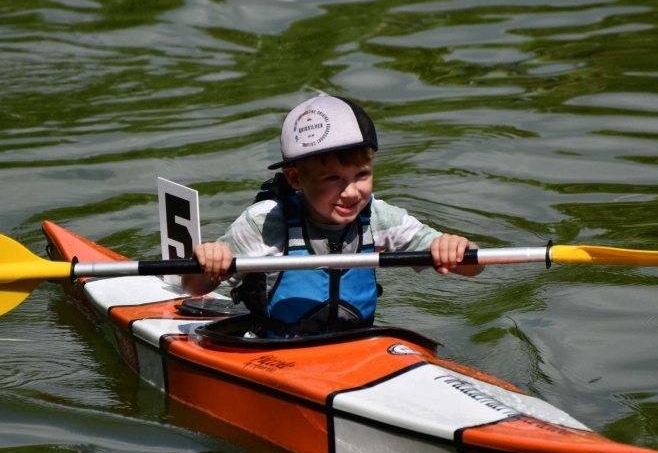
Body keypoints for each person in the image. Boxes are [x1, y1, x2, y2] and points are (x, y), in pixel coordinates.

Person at [182, 94, 483, 337]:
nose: (351, 192)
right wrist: (209, 261)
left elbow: (473, 269)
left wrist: (457, 249)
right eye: (332, 179)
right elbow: (193, 288)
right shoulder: (263, 223)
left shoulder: (379, 216)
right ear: (296, 179)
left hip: (354, 348)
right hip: (273, 353)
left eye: (361, 174)